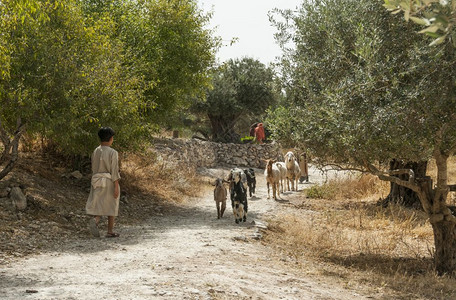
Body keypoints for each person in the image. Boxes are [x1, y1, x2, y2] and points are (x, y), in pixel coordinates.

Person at [86, 127, 121, 238]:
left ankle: (96, 220)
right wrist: (116, 186)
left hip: (96, 180)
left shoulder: (96, 151)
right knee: (112, 204)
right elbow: (114, 170)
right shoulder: (113, 152)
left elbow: (93, 167)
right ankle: (110, 231)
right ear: (111, 139)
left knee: (100, 202)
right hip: (109, 180)